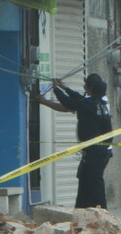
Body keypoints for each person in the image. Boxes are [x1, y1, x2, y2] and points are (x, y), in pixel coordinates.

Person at [35, 74, 113, 209]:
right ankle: (81, 209)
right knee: (84, 180)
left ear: (89, 88)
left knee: (95, 183)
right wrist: (64, 87)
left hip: (94, 152)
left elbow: (68, 103)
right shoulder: (100, 104)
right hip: (99, 151)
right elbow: (79, 98)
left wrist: (56, 89)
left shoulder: (89, 105)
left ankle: (102, 211)